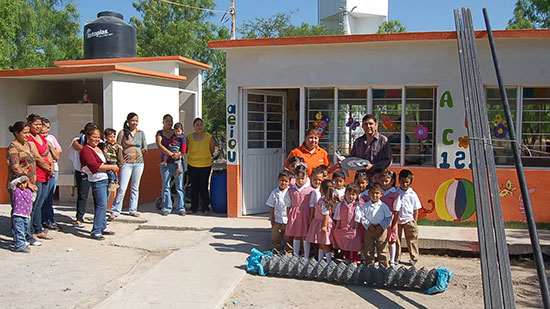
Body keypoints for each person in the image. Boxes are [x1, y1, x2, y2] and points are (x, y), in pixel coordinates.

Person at [79, 127, 119, 240]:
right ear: (88, 137)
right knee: (101, 204)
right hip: (97, 179)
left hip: (107, 178)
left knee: (104, 203)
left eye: (98, 137)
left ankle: (103, 226)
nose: (96, 139)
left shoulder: (100, 147)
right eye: (94, 137)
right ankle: (96, 230)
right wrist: (112, 167)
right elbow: (94, 166)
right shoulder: (86, 150)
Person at [7, 121, 41, 247]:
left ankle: (28, 235)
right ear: (16, 133)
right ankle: (19, 240)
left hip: (30, 183)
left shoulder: (27, 144)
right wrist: (26, 181)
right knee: (19, 214)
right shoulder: (13, 148)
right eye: (25, 133)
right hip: (19, 185)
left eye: (28, 132)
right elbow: (16, 167)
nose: (27, 135)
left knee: (28, 212)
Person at [110, 113, 148, 219]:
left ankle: (133, 209)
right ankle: (115, 210)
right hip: (126, 163)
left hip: (139, 163)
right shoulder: (122, 133)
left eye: (136, 120)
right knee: (122, 187)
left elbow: (144, 147)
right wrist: (120, 160)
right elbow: (117, 147)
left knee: (135, 187)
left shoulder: (141, 133)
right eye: (133, 120)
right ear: (128, 121)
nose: (134, 123)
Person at [26, 114, 55, 241]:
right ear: (30, 124)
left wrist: (51, 167)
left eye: (39, 124)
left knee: (41, 203)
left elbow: (48, 153)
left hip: (46, 174)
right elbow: (37, 157)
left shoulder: (41, 138)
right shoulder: (30, 139)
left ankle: (38, 229)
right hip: (36, 174)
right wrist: (47, 167)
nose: (38, 127)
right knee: (34, 203)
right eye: (35, 124)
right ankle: (30, 230)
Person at [355, 183, 392, 267]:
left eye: (377, 193)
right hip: (369, 230)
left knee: (382, 247)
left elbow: (388, 217)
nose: (374, 195)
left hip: (381, 230)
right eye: (372, 193)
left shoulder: (383, 206)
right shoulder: (365, 206)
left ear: (381, 194)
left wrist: (381, 226)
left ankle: (383, 265)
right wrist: (368, 225)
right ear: (369, 193)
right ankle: (369, 265)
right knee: (368, 247)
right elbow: (362, 217)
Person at [156, 115, 187, 216]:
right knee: (166, 185)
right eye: (167, 121)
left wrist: (179, 154)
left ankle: (181, 208)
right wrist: (170, 154)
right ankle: (166, 207)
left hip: (177, 161)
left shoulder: (177, 132)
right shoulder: (160, 133)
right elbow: (159, 145)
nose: (169, 123)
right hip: (166, 163)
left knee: (179, 185)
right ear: (163, 122)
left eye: (171, 121)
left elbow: (184, 145)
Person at [69, 123, 98, 227]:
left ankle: (98, 218)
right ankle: (79, 218)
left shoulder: (99, 142)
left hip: (95, 172)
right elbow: (79, 148)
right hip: (82, 172)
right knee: (82, 195)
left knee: (97, 196)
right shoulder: (77, 140)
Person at [186, 118, 215, 214]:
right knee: (194, 187)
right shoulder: (189, 137)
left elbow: (212, 150)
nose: (199, 126)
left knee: (204, 187)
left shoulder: (208, 137)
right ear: (193, 126)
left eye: (201, 124)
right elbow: (186, 149)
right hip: (192, 165)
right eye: (197, 125)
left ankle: (205, 207)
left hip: (205, 165)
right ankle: (194, 207)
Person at [284, 164, 313, 258]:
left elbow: (312, 205)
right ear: (294, 177)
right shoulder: (291, 190)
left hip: (306, 215)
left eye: (302, 178)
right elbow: (288, 204)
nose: (300, 181)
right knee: (296, 235)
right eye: (298, 178)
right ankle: (295, 256)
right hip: (295, 215)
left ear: (306, 177)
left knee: (305, 236)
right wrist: (289, 217)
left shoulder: (310, 190)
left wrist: (311, 218)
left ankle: (306, 256)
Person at [394, 169, 422, 265]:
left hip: (409, 220)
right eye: (402, 182)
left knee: (412, 239)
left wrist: (414, 221)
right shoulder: (396, 192)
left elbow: (416, 209)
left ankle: (414, 257)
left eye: (407, 182)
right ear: (399, 181)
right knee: (396, 240)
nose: (404, 184)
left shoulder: (412, 194)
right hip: (397, 220)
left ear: (410, 181)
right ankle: (396, 257)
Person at [306, 179, 336, 263]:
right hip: (319, 223)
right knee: (321, 243)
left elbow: (326, 215)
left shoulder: (324, 201)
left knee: (325, 244)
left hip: (323, 224)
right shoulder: (323, 199)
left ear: (321, 189)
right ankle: (320, 261)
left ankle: (329, 261)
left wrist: (324, 226)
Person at [41, 117, 62, 230]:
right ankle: (43, 220)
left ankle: (49, 219)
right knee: (43, 197)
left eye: (48, 128)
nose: (47, 131)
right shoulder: (37, 139)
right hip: (43, 170)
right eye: (45, 128)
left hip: (54, 168)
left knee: (49, 196)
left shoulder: (51, 138)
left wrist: (50, 147)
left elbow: (58, 151)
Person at [333, 183, 362, 264]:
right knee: (345, 244)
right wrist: (337, 228)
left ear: (357, 196)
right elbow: (338, 217)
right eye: (349, 194)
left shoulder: (357, 206)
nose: (350, 196)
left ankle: (355, 260)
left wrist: (355, 230)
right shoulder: (340, 205)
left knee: (354, 245)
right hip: (343, 227)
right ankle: (347, 259)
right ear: (345, 193)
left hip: (353, 228)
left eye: (353, 194)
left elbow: (357, 219)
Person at [266, 170, 292, 253]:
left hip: (287, 219)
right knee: (275, 235)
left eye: (286, 181)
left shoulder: (290, 192)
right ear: (278, 180)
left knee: (288, 236)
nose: (283, 183)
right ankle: (275, 249)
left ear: (289, 182)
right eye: (281, 180)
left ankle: (289, 251)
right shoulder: (274, 192)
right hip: (277, 218)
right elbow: (271, 205)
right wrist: (272, 217)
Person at [378, 170, 400, 267]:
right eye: (382, 181)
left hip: (390, 221)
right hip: (379, 220)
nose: (384, 183)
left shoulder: (395, 194)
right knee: (379, 240)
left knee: (391, 240)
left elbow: (396, 211)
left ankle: (392, 261)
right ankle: (379, 259)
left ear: (391, 181)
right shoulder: (379, 192)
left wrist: (394, 224)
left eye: (386, 181)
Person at [9, 175, 34, 253]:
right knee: (19, 231)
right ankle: (20, 245)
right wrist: (20, 179)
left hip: (26, 215)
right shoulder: (16, 191)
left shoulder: (29, 192)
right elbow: (12, 184)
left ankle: (21, 242)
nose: (22, 185)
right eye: (20, 183)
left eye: (24, 183)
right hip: (18, 215)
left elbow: (32, 200)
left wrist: (32, 186)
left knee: (24, 231)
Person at [103, 128, 123, 192]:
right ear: (106, 137)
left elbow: (119, 155)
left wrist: (120, 163)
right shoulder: (105, 145)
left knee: (110, 171)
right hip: (107, 160)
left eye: (114, 137)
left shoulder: (116, 146)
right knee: (112, 171)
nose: (112, 138)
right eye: (110, 137)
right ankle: (116, 181)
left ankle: (112, 181)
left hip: (113, 160)